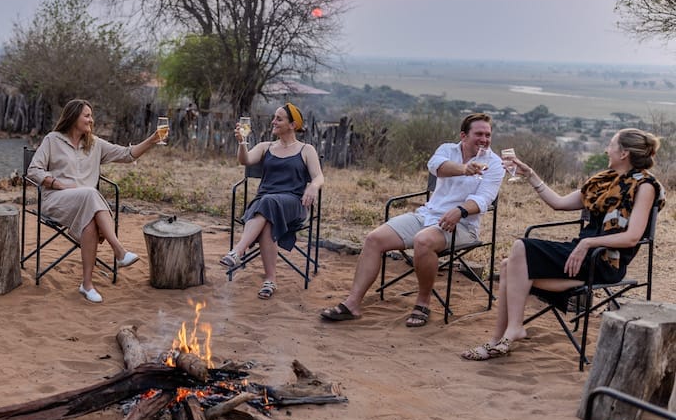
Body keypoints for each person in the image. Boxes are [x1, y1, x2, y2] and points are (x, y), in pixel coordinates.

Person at [460, 128, 665, 360]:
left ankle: (512, 330)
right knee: (509, 266)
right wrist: (529, 174)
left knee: (520, 248)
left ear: (624, 153)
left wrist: (587, 243)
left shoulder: (645, 186)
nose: (607, 150)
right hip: (581, 254)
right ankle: (499, 338)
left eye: (611, 145)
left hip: (605, 261)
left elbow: (632, 237)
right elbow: (558, 203)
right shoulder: (602, 182)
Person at [320, 112, 504, 327]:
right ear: (463, 136)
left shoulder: (495, 163)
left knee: (423, 240)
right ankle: (352, 304)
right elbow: (436, 167)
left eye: (488, 135)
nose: (484, 139)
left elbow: (483, 200)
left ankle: (423, 302)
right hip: (427, 214)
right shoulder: (447, 150)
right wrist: (464, 169)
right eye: (479, 134)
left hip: (463, 224)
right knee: (373, 239)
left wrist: (460, 211)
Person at [26, 99, 162, 303]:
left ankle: (87, 285)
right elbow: (33, 170)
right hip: (56, 200)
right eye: (87, 116)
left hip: (86, 205)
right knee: (90, 194)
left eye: (91, 116)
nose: (91, 120)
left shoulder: (95, 144)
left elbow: (127, 154)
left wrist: (152, 140)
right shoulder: (52, 140)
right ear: (74, 117)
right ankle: (119, 250)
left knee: (89, 221)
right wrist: (57, 183)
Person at [219, 103, 324, 300]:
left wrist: (313, 186)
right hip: (265, 204)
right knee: (267, 219)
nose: (273, 122)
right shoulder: (265, 147)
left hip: (294, 203)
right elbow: (245, 161)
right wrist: (242, 142)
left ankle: (237, 251)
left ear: (293, 125)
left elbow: (318, 176)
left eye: (279, 119)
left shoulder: (306, 149)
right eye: (274, 117)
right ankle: (270, 281)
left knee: (268, 203)